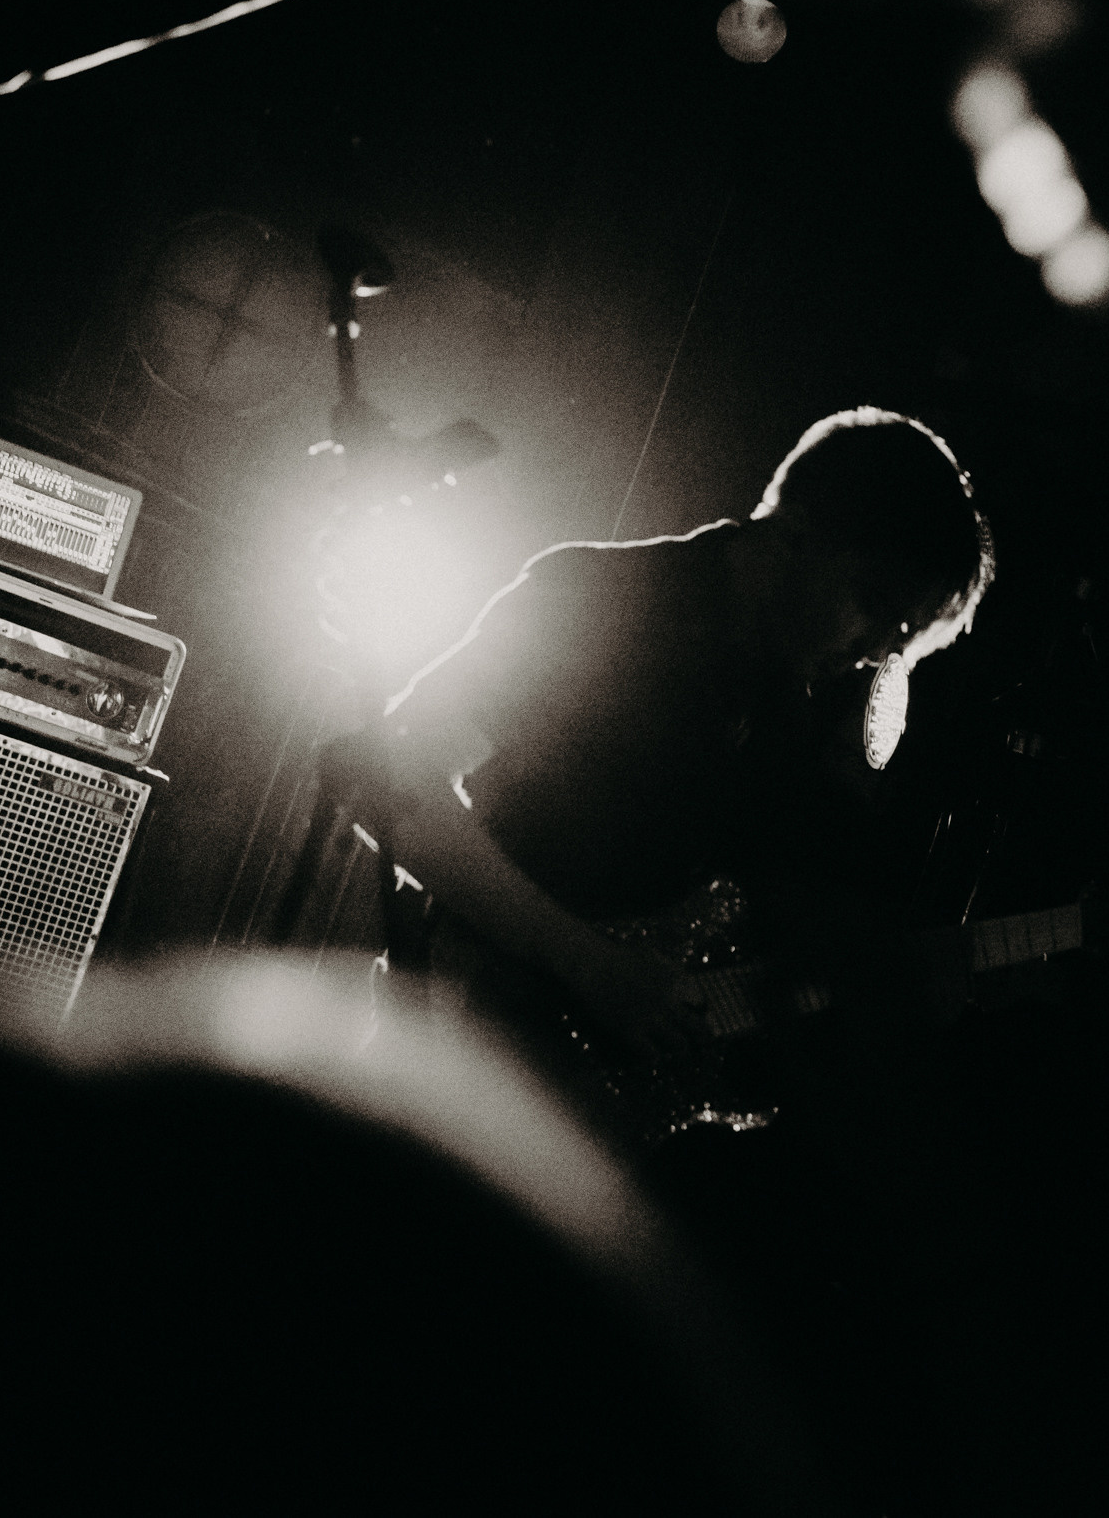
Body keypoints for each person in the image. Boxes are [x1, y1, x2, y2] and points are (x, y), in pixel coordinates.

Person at [362, 407, 993, 1068]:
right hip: (457, 1051)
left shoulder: (784, 712)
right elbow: (382, 777)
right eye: (875, 602)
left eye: (903, 636)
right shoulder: (600, 597)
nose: (875, 653)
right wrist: (587, 964)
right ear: (801, 533)